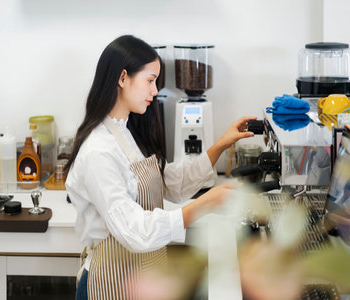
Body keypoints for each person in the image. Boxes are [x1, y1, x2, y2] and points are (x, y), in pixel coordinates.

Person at [65, 35, 256, 300]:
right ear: (122, 79)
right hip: (109, 282)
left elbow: (168, 182)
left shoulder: (126, 132)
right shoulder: (98, 151)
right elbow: (134, 230)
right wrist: (204, 204)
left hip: (141, 277)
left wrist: (220, 145)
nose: (155, 91)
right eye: (150, 80)